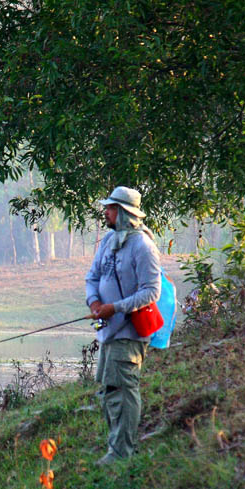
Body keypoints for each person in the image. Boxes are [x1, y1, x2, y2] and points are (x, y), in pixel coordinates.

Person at [85, 186, 162, 465]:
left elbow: (151, 291)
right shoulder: (107, 240)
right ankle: (114, 448)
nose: (105, 212)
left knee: (124, 390)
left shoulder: (143, 246)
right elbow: (92, 277)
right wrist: (94, 303)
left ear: (124, 213)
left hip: (129, 333)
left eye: (110, 208)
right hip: (107, 332)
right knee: (107, 390)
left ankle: (121, 454)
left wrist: (115, 307)